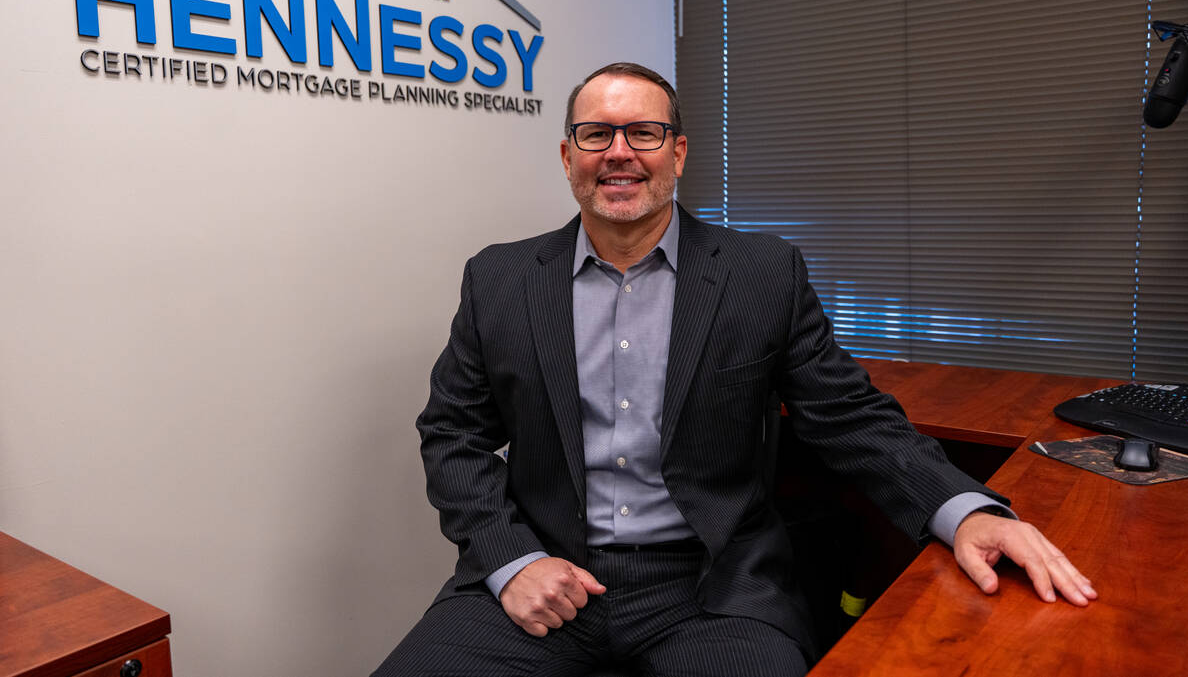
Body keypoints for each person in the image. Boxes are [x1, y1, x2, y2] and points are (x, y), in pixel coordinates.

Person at [372, 62, 1097, 677]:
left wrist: (965, 510)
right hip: (546, 573)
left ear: (678, 153)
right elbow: (452, 435)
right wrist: (510, 560)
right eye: (597, 134)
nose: (619, 152)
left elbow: (850, 416)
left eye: (643, 133)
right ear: (569, 157)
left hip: (710, 589)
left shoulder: (760, 274)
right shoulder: (500, 279)